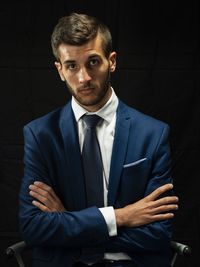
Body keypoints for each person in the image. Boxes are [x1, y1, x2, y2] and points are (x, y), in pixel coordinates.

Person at [19, 13, 178, 267]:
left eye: (93, 62)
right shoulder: (40, 135)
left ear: (111, 61)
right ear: (60, 70)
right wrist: (121, 217)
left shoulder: (153, 134)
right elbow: (34, 227)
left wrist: (69, 221)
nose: (84, 78)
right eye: (72, 66)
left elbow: (158, 233)